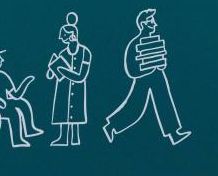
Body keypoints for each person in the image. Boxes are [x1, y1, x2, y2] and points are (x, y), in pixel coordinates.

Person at [103, 9, 190, 146]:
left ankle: (173, 133)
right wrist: (147, 67)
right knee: (135, 108)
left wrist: (160, 62)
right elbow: (131, 70)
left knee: (163, 100)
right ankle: (112, 127)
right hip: (145, 77)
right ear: (143, 24)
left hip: (156, 74)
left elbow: (161, 59)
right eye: (151, 21)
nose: (154, 24)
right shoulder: (134, 44)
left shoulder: (154, 40)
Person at [0, 47, 44, 148]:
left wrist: (26, 82)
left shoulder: (2, 75)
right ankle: (17, 140)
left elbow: (15, 95)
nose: (1, 60)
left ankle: (29, 130)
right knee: (12, 113)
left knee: (22, 103)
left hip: (5, 103)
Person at [47, 13, 92, 148]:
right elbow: (51, 76)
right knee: (62, 112)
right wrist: (51, 68)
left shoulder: (85, 52)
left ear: (73, 35)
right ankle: (62, 137)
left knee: (75, 114)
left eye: (65, 36)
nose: (62, 39)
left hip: (77, 89)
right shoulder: (62, 53)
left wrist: (61, 69)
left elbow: (81, 77)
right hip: (63, 88)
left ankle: (75, 138)